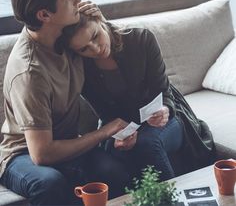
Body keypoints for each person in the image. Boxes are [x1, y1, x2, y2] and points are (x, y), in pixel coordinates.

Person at [0, 0, 131, 206]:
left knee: (115, 170)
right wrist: (103, 132)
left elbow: (115, 49)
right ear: (44, 15)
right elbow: (42, 154)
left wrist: (99, 21)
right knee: (50, 182)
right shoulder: (30, 72)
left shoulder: (66, 34)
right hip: (22, 154)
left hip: (67, 140)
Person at [61, 13, 216, 181]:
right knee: (111, 157)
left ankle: (168, 201)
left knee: (147, 143)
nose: (95, 49)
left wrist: (164, 110)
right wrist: (121, 135)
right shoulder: (82, 67)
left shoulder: (141, 39)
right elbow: (105, 114)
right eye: (84, 49)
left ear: (100, 21)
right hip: (123, 124)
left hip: (169, 115)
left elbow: (164, 92)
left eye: (95, 36)